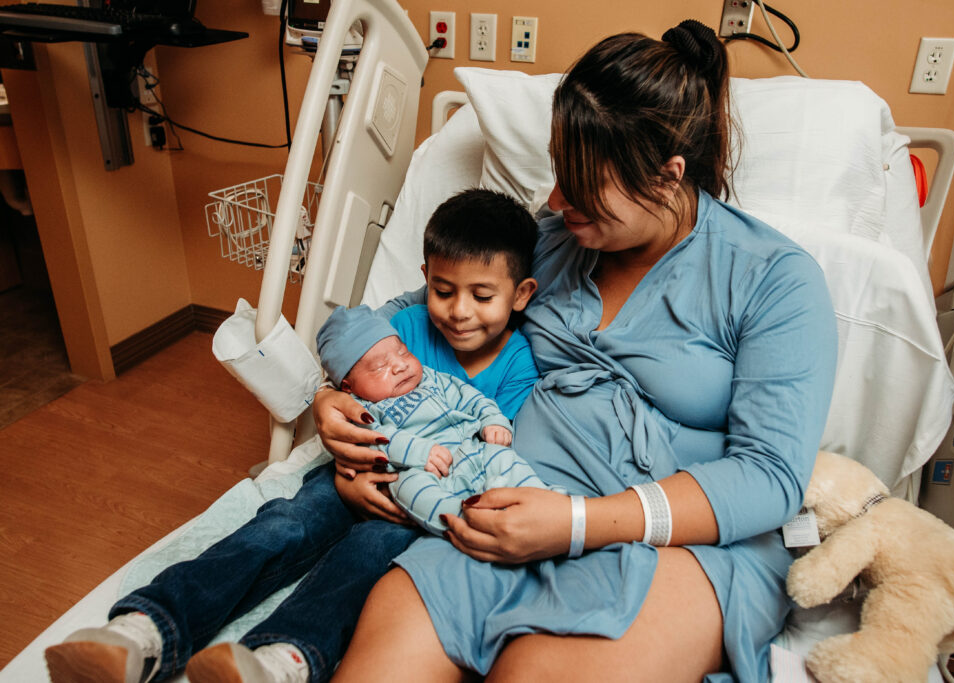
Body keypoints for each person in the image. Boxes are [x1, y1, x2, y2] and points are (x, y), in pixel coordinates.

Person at [317, 20, 838, 683]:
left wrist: (576, 523)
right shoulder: (553, 240)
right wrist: (333, 397)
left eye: (583, 184)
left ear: (666, 176)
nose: (557, 200)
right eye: (559, 170)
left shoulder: (775, 281)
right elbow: (401, 315)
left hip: (681, 542)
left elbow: (769, 475)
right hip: (508, 505)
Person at [44, 188, 540, 683]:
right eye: (443, 290)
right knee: (282, 525)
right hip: (354, 467)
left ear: (520, 295)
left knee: (364, 559)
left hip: (416, 501)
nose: (458, 312)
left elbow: (496, 446)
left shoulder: (518, 364)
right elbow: (342, 364)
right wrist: (329, 408)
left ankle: (281, 661)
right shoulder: (405, 324)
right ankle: (144, 630)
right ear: (424, 281)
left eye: (481, 296)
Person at [317, 306, 549, 534]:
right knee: (411, 490)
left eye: (403, 352)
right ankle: (468, 521)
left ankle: (544, 501)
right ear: (348, 387)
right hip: (415, 468)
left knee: (502, 457)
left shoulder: (430, 379)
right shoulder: (359, 408)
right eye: (380, 366)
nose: (400, 365)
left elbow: (470, 397)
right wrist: (419, 452)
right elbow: (375, 440)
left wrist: (493, 420)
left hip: (468, 449)